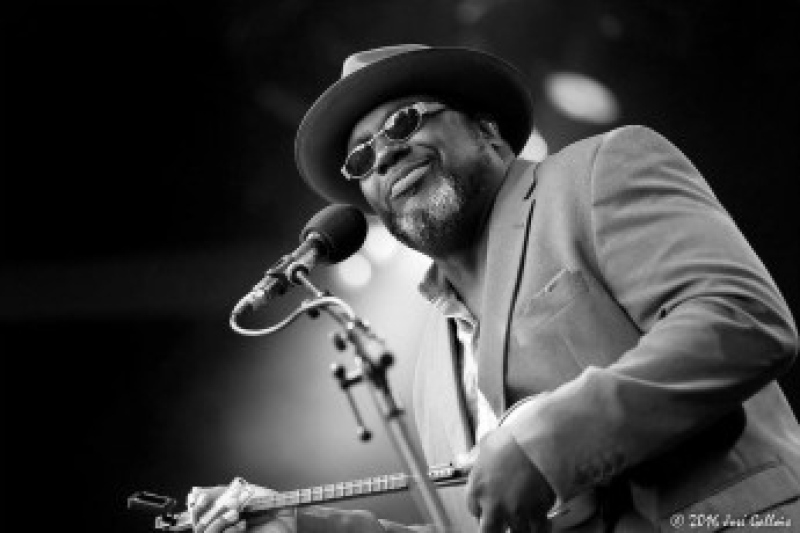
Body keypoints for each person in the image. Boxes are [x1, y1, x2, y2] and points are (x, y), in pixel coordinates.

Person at [188, 44, 800, 532]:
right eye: (361, 160)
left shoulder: (595, 172)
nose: (386, 156)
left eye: (403, 121)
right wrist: (299, 524)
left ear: (487, 129)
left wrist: (546, 443)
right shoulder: (428, 371)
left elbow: (742, 319)